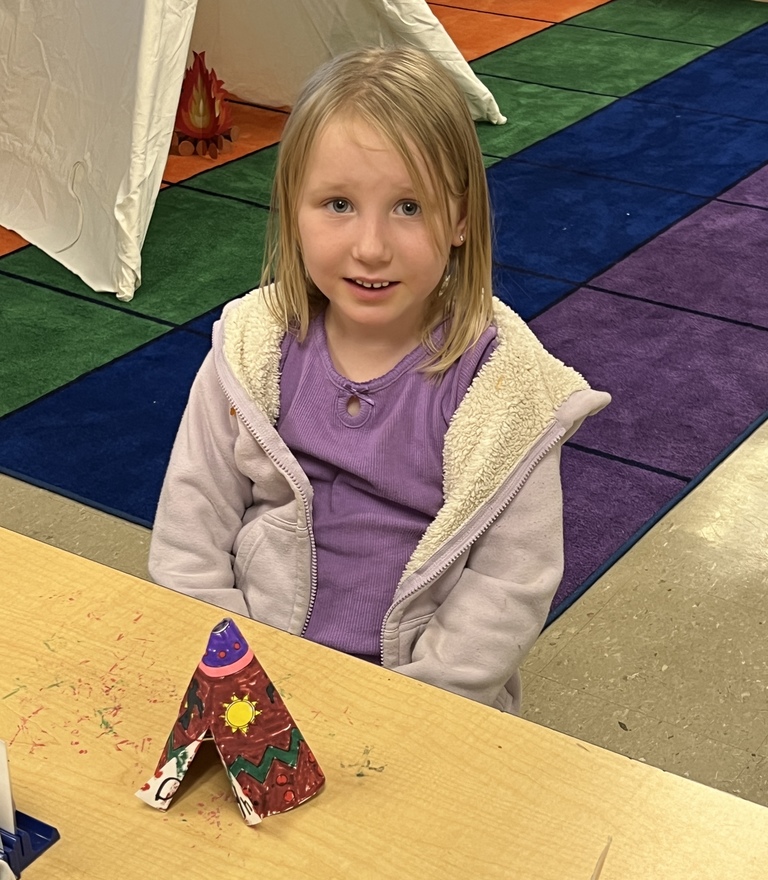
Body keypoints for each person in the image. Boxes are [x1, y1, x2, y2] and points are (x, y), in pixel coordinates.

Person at [149, 47, 610, 713]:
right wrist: (237, 675)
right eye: (337, 203)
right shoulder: (250, 353)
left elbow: (511, 584)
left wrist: (412, 709)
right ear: (292, 209)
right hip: (256, 688)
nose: (370, 246)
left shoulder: (503, 388)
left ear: (458, 219)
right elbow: (190, 535)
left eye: (407, 207)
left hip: (427, 706)